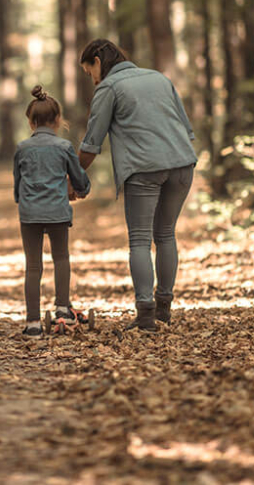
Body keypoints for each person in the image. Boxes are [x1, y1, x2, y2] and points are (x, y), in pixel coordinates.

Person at [76, 39, 197, 331]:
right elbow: (187, 129)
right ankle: (163, 310)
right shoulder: (158, 78)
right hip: (182, 164)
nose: (91, 78)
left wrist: (73, 178)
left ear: (97, 61)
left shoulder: (109, 87)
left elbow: (92, 144)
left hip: (144, 170)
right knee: (166, 234)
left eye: (88, 70)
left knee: (140, 240)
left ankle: (145, 316)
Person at [14, 86, 91, 337]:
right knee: (61, 258)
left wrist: (22, 200)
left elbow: (17, 185)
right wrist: (81, 190)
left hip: (30, 213)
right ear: (58, 120)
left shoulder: (22, 148)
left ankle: (33, 323)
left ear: (31, 121)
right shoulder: (64, 146)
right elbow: (79, 178)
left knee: (33, 266)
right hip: (57, 210)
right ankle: (61, 308)